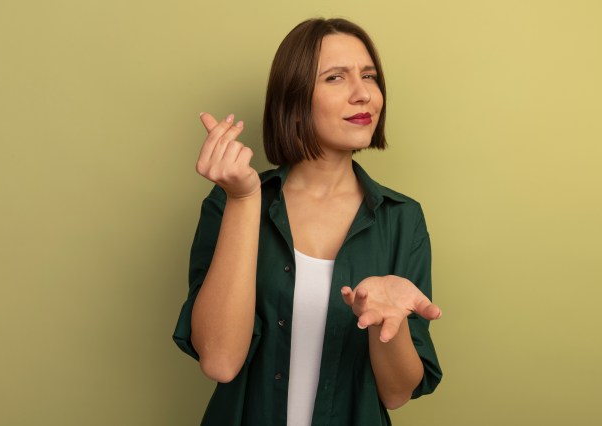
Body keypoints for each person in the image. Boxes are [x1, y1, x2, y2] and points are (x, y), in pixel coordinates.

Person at [173, 18, 443, 425]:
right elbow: (220, 362)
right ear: (294, 100)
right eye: (336, 77)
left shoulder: (401, 219)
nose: (363, 94)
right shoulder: (227, 203)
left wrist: (390, 323)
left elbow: (396, 393)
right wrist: (245, 199)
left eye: (369, 76)